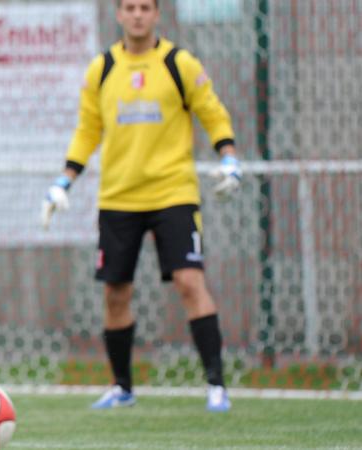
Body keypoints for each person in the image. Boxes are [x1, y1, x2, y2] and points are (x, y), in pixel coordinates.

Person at [41, 0, 240, 412]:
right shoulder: (103, 68)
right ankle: (122, 387)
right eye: (129, 7)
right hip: (118, 197)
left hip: (173, 193)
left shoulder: (178, 63)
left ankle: (217, 386)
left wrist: (229, 157)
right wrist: (65, 180)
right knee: (116, 291)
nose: (137, 14)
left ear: (156, 14)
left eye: (144, 7)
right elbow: (87, 130)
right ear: (118, 14)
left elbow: (212, 112)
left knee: (189, 281)